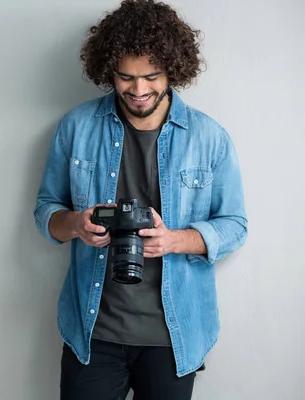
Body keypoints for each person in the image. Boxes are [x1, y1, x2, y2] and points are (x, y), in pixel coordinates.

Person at [33, 0, 248, 399]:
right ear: (108, 71)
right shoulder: (76, 127)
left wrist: (174, 240)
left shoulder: (208, 137)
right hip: (93, 331)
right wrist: (77, 224)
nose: (138, 89)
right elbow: (47, 211)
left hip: (174, 336)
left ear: (173, 68)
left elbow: (235, 225)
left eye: (151, 76)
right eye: (125, 77)